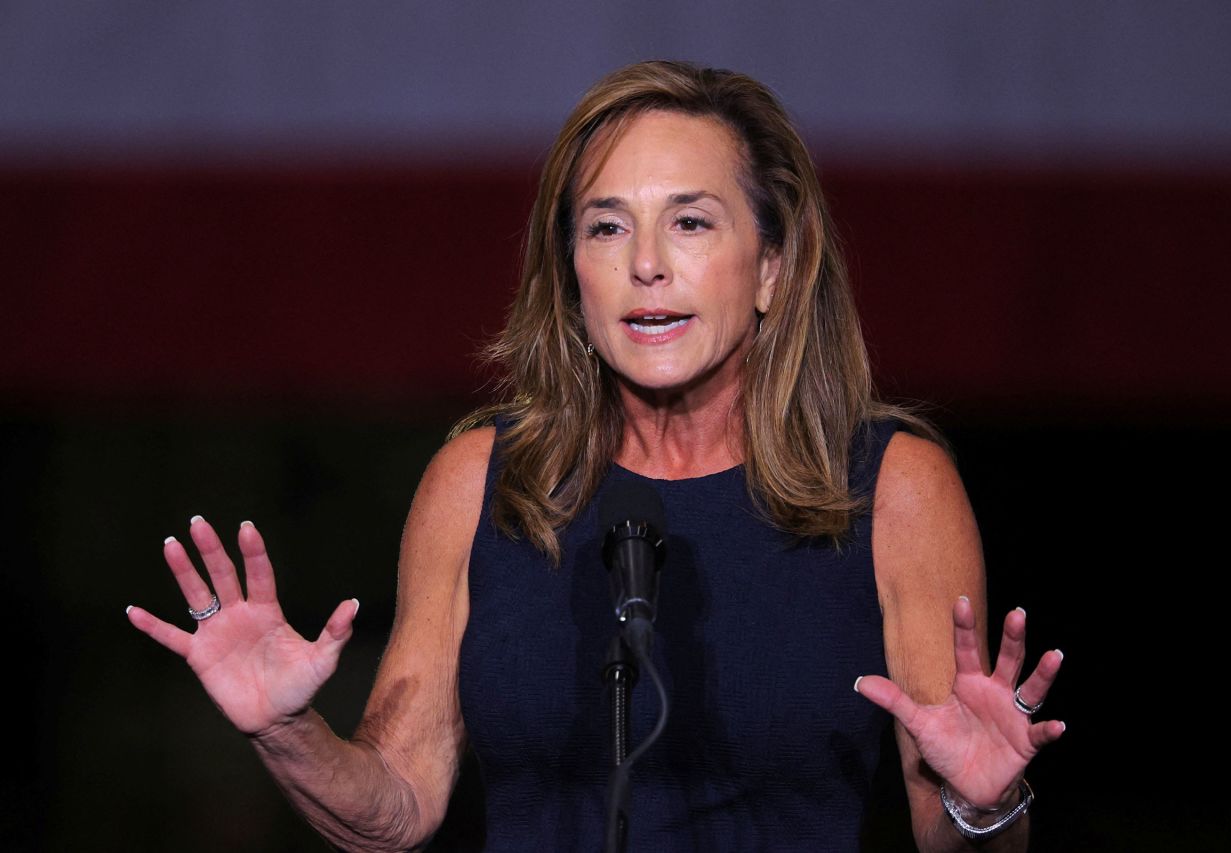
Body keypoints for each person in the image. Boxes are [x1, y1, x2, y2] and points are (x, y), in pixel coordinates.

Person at [128, 60, 1064, 851]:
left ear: (774, 267)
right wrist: (287, 730)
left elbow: (956, 826)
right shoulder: (483, 482)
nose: (645, 263)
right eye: (607, 226)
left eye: (691, 222)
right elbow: (398, 806)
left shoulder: (893, 490)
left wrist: (985, 802)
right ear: (571, 276)